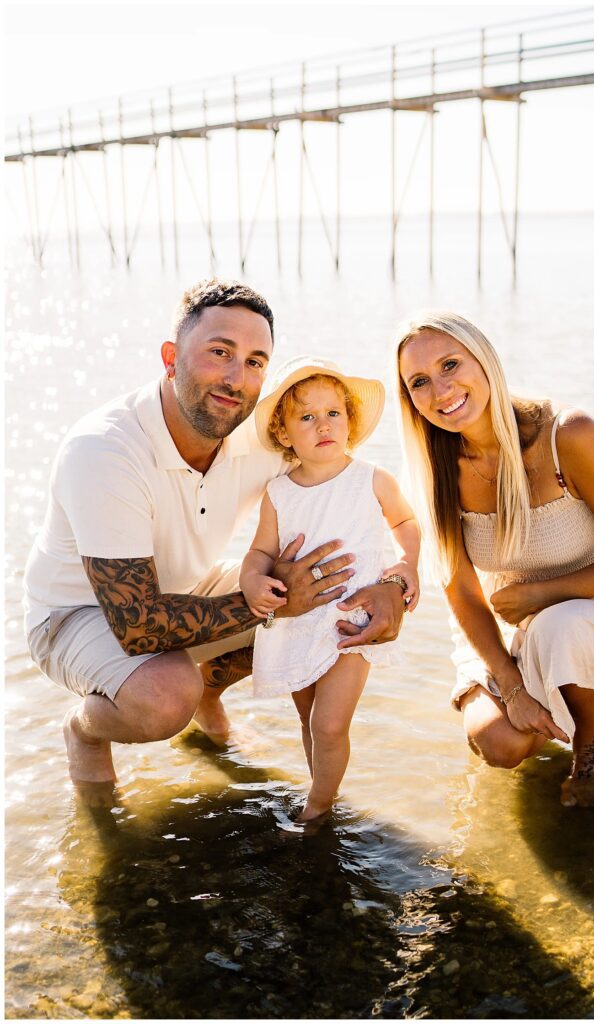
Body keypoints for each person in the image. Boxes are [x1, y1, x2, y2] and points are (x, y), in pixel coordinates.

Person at [22, 278, 406, 806]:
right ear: (170, 358)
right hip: (80, 613)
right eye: (219, 352)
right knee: (164, 696)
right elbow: (137, 626)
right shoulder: (104, 452)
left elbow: (345, 490)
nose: (235, 378)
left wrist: (392, 584)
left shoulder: (261, 438)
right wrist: (278, 604)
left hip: (188, 585)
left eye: (254, 361)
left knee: (310, 588)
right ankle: (85, 730)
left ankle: (210, 697)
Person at [394, 310, 594, 807]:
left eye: (451, 365)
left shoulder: (567, 435)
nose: (440, 391)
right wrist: (511, 684)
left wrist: (541, 594)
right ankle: (556, 703)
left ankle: (589, 740)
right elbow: (460, 588)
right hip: (514, 627)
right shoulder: (439, 469)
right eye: (419, 381)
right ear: (410, 398)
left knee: (559, 627)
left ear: (484, 361)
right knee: (501, 744)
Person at [239, 358, 420, 823]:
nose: (323, 425)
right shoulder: (279, 492)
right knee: (308, 722)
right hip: (297, 623)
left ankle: (318, 810)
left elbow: (405, 521)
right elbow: (260, 551)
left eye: (333, 413)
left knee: (329, 722)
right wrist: (253, 580)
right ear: (285, 434)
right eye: (307, 417)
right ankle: (322, 788)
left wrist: (407, 565)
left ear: (350, 422)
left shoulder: (370, 478)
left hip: (349, 621)